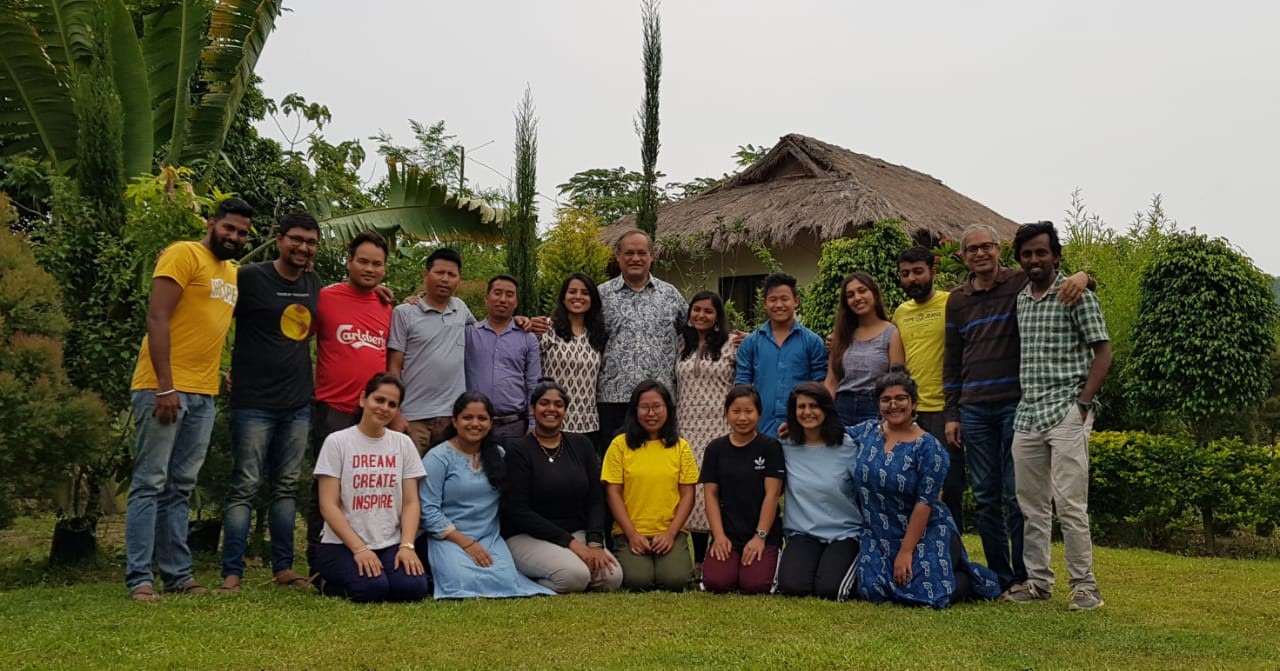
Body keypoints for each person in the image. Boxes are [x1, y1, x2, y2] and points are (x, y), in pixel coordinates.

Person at [942, 224, 1090, 591]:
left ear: (998, 250)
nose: (980, 254)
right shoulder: (957, 300)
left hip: (1016, 405)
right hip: (973, 408)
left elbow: (1057, 278)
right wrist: (952, 413)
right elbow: (952, 359)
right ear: (963, 256)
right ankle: (1000, 575)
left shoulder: (1017, 284)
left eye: (987, 247)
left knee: (1017, 494)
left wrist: (1087, 275)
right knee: (987, 496)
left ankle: (1027, 574)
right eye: (972, 249)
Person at [124, 197, 251, 602]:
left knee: (180, 486)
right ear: (211, 223)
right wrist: (165, 385)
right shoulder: (183, 254)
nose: (234, 237)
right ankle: (140, 577)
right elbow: (157, 318)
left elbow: (211, 328)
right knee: (150, 483)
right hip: (163, 389)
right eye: (228, 228)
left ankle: (177, 575)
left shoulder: (232, 272)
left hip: (203, 394)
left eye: (242, 233)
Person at [1003, 222, 1112, 611]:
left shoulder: (1075, 295)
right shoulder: (1021, 299)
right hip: (1028, 414)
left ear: (1056, 256)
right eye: (1028, 254)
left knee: (1070, 503)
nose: (1034, 260)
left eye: (1041, 253)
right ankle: (1038, 582)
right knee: (1030, 504)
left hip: (1066, 409)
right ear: (1020, 259)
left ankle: (1085, 587)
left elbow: (1103, 352)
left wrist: (1082, 404)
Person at [217, 213, 322, 594]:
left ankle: (283, 568)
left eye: (310, 242)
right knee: (245, 485)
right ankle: (232, 572)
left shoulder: (313, 283)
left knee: (286, 486)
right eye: (296, 239)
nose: (302, 247)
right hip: (253, 401)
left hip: (297, 401)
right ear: (279, 239)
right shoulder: (248, 277)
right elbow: (212, 318)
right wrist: (221, 369)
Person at [849, 370, 1002, 608]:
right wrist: (792, 429)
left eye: (900, 398)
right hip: (880, 532)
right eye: (886, 400)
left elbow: (925, 503)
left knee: (924, 593)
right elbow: (831, 434)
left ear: (913, 403)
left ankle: (965, 578)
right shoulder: (867, 431)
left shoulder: (930, 449)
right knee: (873, 590)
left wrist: (906, 552)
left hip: (925, 530)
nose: (893, 405)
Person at [304, 231, 394, 572]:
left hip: (374, 415)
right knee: (327, 488)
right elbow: (297, 337)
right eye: (363, 261)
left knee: (369, 488)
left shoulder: (387, 307)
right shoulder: (326, 298)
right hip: (333, 408)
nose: (370, 269)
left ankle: (364, 553)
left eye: (377, 264)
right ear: (349, 261)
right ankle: (318, 562)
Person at [419, 391, 554, 599]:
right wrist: (467, 544)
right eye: (467, 418)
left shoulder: (498, 455)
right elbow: (428, 511)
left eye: (482, 418)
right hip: (449, 538)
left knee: (506, 581)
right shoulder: (438, 458)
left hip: (488, 537)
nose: (475, 424)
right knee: (462, 581)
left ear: (491, 423)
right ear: (454, 421)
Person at [312, 373, 429, 603]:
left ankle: (385, 575)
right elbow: (328, 505)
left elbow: (411, 502)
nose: (384, 408)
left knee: (413, 588)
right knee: (371, 589)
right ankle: (327, 582)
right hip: (341, 545)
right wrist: (359, 549)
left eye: (392, 404)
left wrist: (407, 545)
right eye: (379, 400)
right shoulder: (337, 442)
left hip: (388, 543)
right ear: (364, 398)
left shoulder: (403, 444)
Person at [502, 380, 623, 593]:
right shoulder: (518, 451)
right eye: (544, 403)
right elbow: (517, 511)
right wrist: (572, 545)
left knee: (611, 578)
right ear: (532, 409)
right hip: (527, 536)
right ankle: (523, 578)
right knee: (574, 577)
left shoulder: (582, 445)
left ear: (565, 410)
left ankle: (569, 564)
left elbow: (596, 499)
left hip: (576, 532)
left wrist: (594, 542)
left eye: (558, 405)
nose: (551, 409)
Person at [601, 380, 700, 591]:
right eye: (644, 407)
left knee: (675, 580)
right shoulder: (620, 444)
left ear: (668, 409)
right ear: (635, 410)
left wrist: (671, 534)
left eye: (657, 407)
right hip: (630, 531)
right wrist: (632, 534)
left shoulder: (681, 446)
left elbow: (688, 495)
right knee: (638, 580)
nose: (651, 413)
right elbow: (613, 493)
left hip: (669, 531)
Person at [893, 246, 965, 526]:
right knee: (911, 486)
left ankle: (953, 555)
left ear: (932, 272)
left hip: (945, 411)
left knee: (950, 487)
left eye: (918, 272)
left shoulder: (952, 303)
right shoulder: (900, 312)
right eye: (905, 273)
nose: (912, 279)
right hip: (910, 413)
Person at [596, 230, 687, 443]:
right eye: (628, 253)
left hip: (659, 401)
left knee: (659, 462)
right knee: (616, 465)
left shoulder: (670, 294)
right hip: (614, 398)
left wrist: (738, 339)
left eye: (641, 253)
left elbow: (696, 330)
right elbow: (578, 331)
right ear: (618, 256)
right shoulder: (601, 295)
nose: (635, 258)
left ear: (651, 256)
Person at [774, 383, 862, 600]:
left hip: (844, 532)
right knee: (792, 587)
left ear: (826, 409)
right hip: (803, 532)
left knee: (831, 590)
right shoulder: (784, 446)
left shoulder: (848, 446)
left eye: (814, 406)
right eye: (801, 407)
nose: (807, 412)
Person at [389, 247, 474, 456]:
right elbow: (394, 366)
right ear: (426, 275)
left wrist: (520, 321)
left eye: (451, 275)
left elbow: (489, 330)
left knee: (446, 482)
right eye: (439, 273)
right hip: (413, 417)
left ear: (459, 280)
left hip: (452, 417)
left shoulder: (461, 309)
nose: (445, 279)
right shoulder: (404, 313)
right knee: (409, 481)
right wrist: (396, 413)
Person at [700, 386, 785, 594]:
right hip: (728, 533)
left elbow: (772, 494)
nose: (742, 418)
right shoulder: (715, 449)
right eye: (736, 411)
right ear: (727, 413)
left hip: (762, 532)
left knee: (755, 585)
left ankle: (768, 558)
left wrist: (760, 537)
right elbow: (710, 494)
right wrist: (719, 536)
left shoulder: (770, 447)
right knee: (716, 583)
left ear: (759, 413)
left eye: (749, 411)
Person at [674, 291, 738, 569]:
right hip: (687, 426)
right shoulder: (681, 345)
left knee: (718, 488)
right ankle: (698, 560)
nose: (701, 315)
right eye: (696, 310)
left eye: (708, 311)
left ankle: (719, 553)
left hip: (719, 426)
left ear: (717, 317)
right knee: (693, 488)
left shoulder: (731, 345)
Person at [735, 273, 827, 437]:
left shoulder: (812, 342)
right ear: (765, 303)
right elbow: (742, 386)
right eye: (773, 299)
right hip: (759, 432)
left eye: (784, 299)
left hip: (800, 431)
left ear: (796, 301)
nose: (779, 305)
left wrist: (801, 422)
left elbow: (819, 388)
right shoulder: (750, 343)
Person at [465, 274, 542, 444]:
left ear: (516, 302)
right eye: (497, 293)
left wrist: (533, 423)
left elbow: (533, 384)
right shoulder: (469, 334)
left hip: (514, 427)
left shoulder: (527, 338)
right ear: (487, 298)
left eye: (509, 295)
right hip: (474, 425)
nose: (503, 299)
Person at [825, 271, 905, 426]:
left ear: (874, 294)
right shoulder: (841, 335)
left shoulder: (891, 333)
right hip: (841, 407)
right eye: (850, 295)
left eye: (862, 291)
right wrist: (826, 412)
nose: (857, 298)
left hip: (875, 407)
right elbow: (831, 381)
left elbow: (897, 380)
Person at [539, 273, 608, 451]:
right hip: (553, 420)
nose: (578, 297)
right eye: (572, 292)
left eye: (585, 293)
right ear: (563, 297)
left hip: (588, 423)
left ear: (592, 299)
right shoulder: (547, 328)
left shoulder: (597, 335)